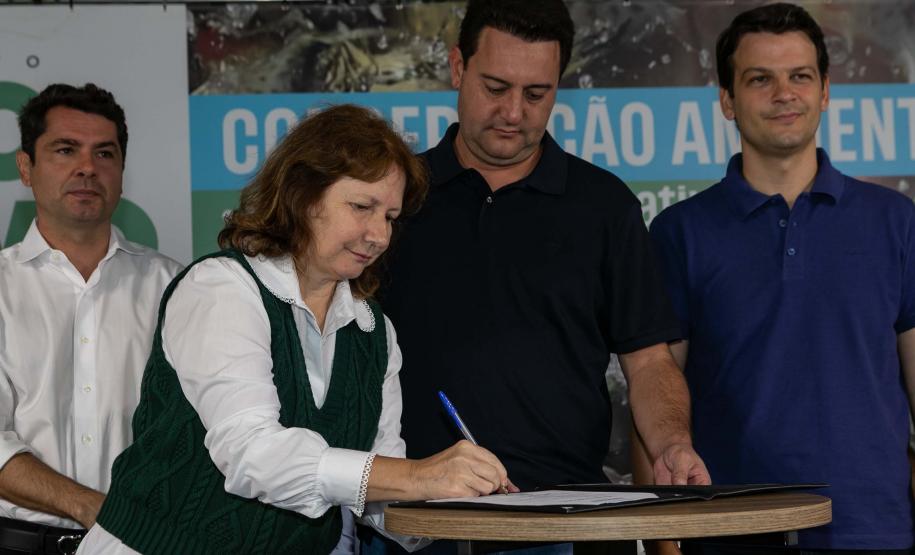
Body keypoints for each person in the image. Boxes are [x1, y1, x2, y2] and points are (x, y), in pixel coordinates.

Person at [76, 104, 517, 555]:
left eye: (389, 216)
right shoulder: (221, 288)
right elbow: (253, 455)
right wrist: (418, 476)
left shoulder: (374, 332)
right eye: (361, 207)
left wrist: (459, 504)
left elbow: (377, 492)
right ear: (301, 196)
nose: (380, 236)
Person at [371, 1, 709, 552]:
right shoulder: (394, 198)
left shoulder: (604, 206)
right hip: (418, 524)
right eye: (495, 87)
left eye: (536, 94)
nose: (513, 112)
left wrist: (672, 443)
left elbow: (649, 361)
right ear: (457, 68)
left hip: (570, 523)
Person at [639, 3, 915, 553]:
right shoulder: (679, 232)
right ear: (727, 100)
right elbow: (653, 390)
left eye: (800, 76)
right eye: (760, 79)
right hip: (729, 530)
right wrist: (663, 543)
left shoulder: (896, 221)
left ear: (826, 90)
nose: (784, 94)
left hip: (874, 530)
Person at [0, 83, 182, 554]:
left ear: (121, 171)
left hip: (147, 544)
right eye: (65, 150)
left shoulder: (177, 287)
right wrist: (94, 507)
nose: (87, 167)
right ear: (25, 167)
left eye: (104, 153)